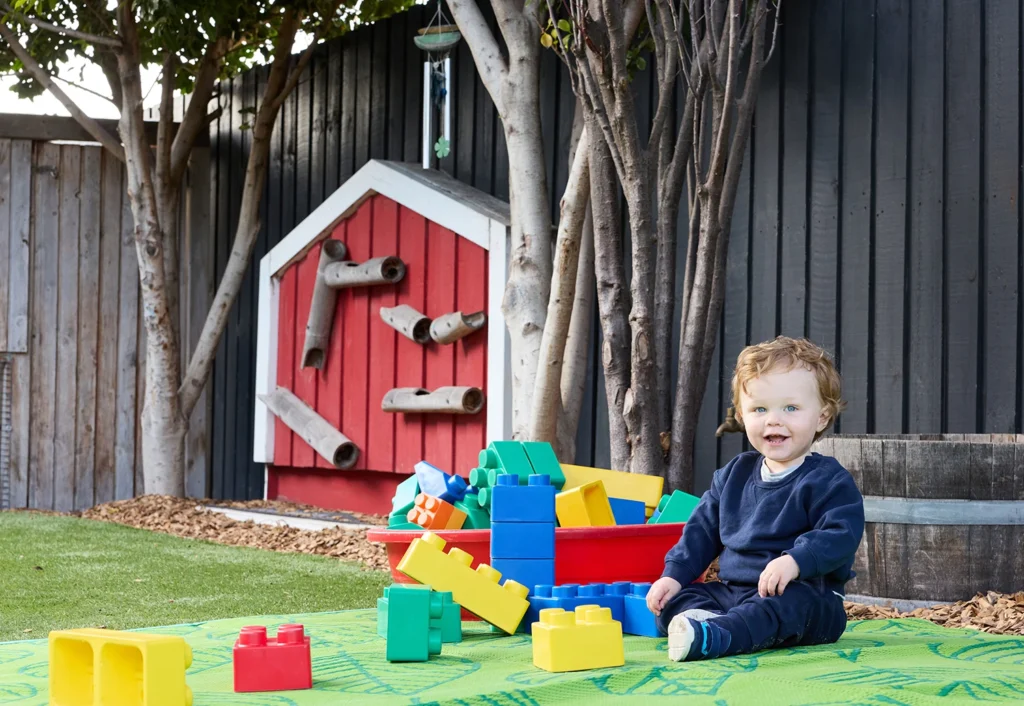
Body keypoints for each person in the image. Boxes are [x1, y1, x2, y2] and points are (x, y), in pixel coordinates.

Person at [646, 336, 865, 661]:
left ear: (821, 416)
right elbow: (701, 531)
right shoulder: (733, 475)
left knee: (785, 608)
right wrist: (673, 575)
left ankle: (720, 635)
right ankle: (708, 624)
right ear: (742, 416)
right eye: (759, 409)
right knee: (674, 601)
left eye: (790, 408)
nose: (773, 419)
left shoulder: (827, 480)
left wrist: (794, 562)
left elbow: (840, 534)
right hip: (733, 591)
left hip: (804, 594)